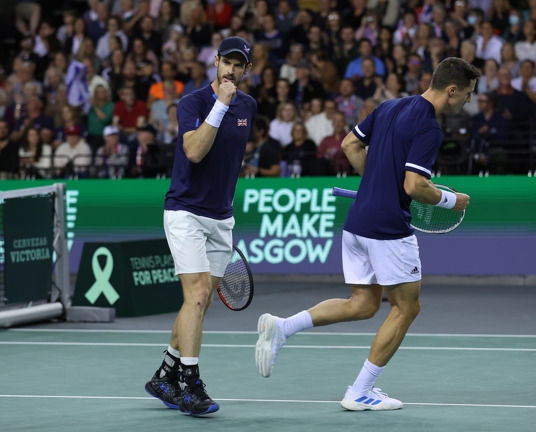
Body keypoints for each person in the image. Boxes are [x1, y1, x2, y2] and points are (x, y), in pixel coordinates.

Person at [255, 57, 477, 411]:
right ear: (451, 90)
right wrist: (452, 200)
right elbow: (415, 185)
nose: (468, 101)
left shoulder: (389, 107)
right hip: (387, 228)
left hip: (358, 222)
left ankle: (283, 327)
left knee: (363, 304)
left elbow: (349, 146)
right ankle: (360, 390)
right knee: (407, 308)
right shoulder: (430, 127)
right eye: (466, 94)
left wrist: (375, 182)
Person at [144, 36, 256, 417]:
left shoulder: (250, 107)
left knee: (203, 300)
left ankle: (164, 374)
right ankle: (190, 383)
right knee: (195, 295)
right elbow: (194, 150)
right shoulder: (192, 103)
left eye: (239, 65)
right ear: (216, 62)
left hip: (221, 216)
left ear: (246, 70)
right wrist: (221, 105)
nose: (231, 69)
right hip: (185, 211)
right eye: (227, 61)